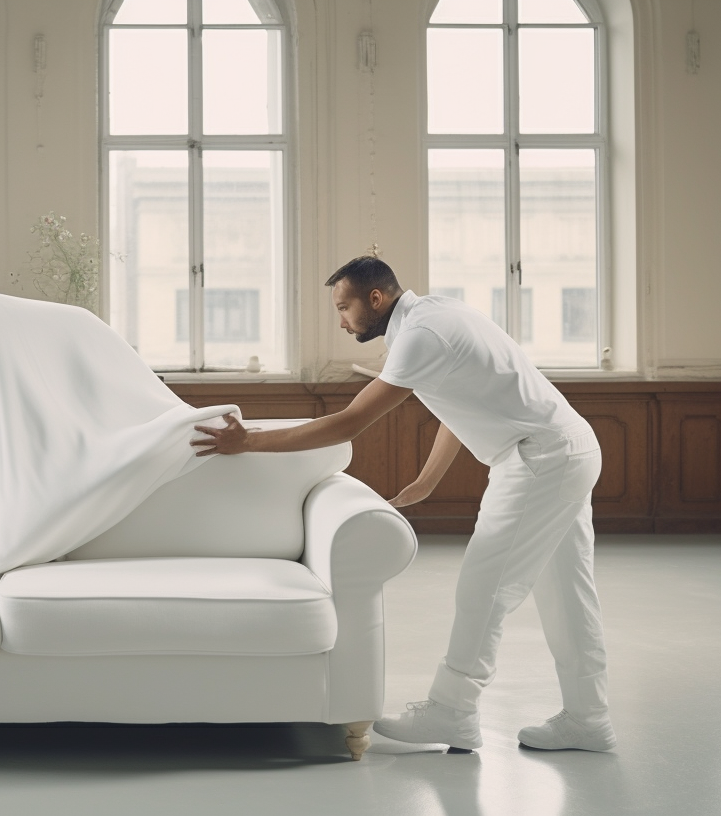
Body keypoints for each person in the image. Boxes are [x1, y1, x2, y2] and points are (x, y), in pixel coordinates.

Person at [191, 254, 615, 753]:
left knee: (486, 587)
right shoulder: (432, 316)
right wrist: (425, 482)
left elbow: (348, 423)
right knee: (567, 592)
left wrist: (249, 444)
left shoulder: (421, 335)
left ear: (376, 298)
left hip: (540, 460)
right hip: (569, 449)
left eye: (344, 307)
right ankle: (589, 719)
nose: (342, 320)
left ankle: (452, 711)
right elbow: (460, 403)